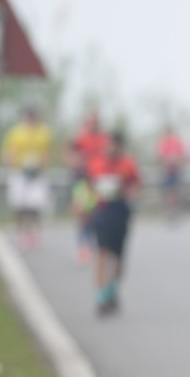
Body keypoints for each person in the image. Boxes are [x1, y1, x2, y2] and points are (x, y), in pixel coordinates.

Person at [84, 131, 142, 316]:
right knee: (101, 254)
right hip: (102, 212)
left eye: (115, 146)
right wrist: (84, 206)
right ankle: (101, 297)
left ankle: (112, 289)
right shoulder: (96, 164)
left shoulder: (127, 164)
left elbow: (136, 185)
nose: (111, 148)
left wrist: (131, 195)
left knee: (118, 257)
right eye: (109, 145)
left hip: (120, 212)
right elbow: (87, 188)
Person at [1, 106, 53, 251]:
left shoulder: (43, 132)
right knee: (19, 205)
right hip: (19, 172)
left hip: (37, 173)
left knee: (35, 205)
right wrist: (15, 165)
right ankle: (21, 232)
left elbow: (46, 153)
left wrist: (40, 166)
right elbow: (8, 153)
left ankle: (34, 231)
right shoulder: (15, 133)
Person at [66, 109, 110, 264]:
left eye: (95, 122)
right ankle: (82, 246)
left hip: (99, 180)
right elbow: (70, 153)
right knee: (82, 214)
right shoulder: (80, 137)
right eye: (90, 122)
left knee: (96, 215)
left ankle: (93, 244)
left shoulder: (105, 138)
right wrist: (77, 162)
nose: (93, 125)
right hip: (83, 179)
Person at [156, 125, 187, 222]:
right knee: (168, 191)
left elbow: (182, 156)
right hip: (166, 171)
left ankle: (176, 210)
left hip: (176, 171)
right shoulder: (163, 143)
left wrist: (176, 161)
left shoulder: (176, 142)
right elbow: (159, 157)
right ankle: (169, 210)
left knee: (175, 191)